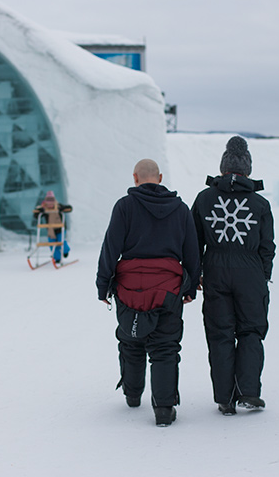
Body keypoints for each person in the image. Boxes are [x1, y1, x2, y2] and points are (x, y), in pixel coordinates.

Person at [96, 159, 200, 427]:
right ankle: (164, 409)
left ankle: (132, 394)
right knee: (165, 347)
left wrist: (103, 284)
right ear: (160, 178)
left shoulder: (124, 207)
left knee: (131, 341)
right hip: (168, 288)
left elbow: (110, 247)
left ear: (135, 178)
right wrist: (190, 288)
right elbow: (192, 252)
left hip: (129, 288)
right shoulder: (180, 209)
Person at [191, 136, 276, 416]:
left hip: (215, 271)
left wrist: (195, 275)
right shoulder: (260, 205)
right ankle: (249, 392)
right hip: (250, 273)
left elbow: (193, 242)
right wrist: (262, 276)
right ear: (247, 170)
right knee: (251, 331)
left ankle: (225, 398)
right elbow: (267, 246)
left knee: (220, 335)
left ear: (222, 168)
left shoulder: (204, 199)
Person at [32, 190, 72, 263]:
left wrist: (63, 209)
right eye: (48, 201)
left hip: (60, 229)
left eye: (51, 200)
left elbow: (69, 208)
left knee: (61, 242)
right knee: (51, 244)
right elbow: (36, 215)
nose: (50, 203)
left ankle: (65, 251)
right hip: (51, 230)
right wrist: (39, 210)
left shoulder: (58, 206)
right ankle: (57, 258)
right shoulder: (44, 209)